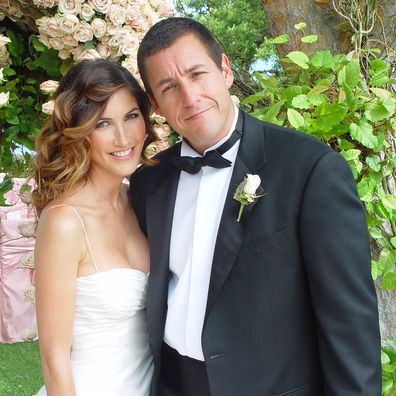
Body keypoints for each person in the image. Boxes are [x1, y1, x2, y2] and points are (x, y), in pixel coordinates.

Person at [129, 17, 382, 396]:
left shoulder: (310, 170)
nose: (190, 97)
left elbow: (350, 324)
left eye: (198, 74)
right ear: (155, 104)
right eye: (169, 87)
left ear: (225, 70)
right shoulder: (149, 181)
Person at [32, 59, 156, 396]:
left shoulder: (141, 201)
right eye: (103, 123)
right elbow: (53, 357)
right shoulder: (64, 222)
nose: (123, 137)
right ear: (79, 132)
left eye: (131, 116)